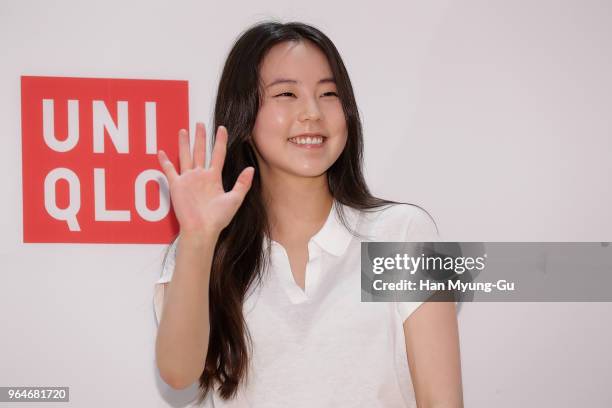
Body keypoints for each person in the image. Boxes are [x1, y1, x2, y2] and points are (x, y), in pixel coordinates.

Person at [154, 21, 463, 407]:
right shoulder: (204, 247)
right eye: (286, 93)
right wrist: (199, 238)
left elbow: (441, 400)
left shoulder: (402, 233)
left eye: (329, 93)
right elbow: (179, 373)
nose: (312, 112)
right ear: (244, 116)